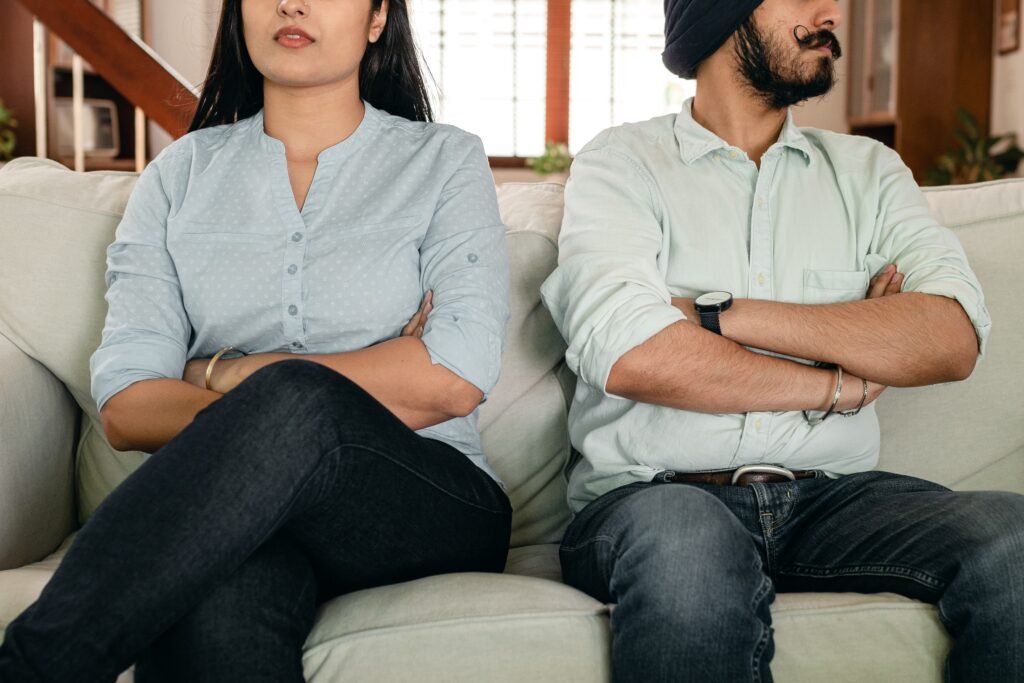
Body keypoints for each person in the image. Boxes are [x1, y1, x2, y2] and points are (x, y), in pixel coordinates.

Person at [0, 0, 512, 681]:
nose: (291, 4)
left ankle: (33, 665)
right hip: (244, 517)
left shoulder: (445, 162)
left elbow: (451, 375)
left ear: (378, 16)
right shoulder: (178, 177)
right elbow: (127, 406)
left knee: (297, 399)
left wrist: (225, 373)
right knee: (214, 608)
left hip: (424, 500)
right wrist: (355, 380)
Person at [539, 0, 1023, 681]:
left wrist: (719, 314)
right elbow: (632, 352)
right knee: (688, 549)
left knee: (1014, 537)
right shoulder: (622, 163)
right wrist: (840, 382)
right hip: (657, 497)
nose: (832, 13)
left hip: (833, 499)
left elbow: (950, 334)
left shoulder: (868, 172)